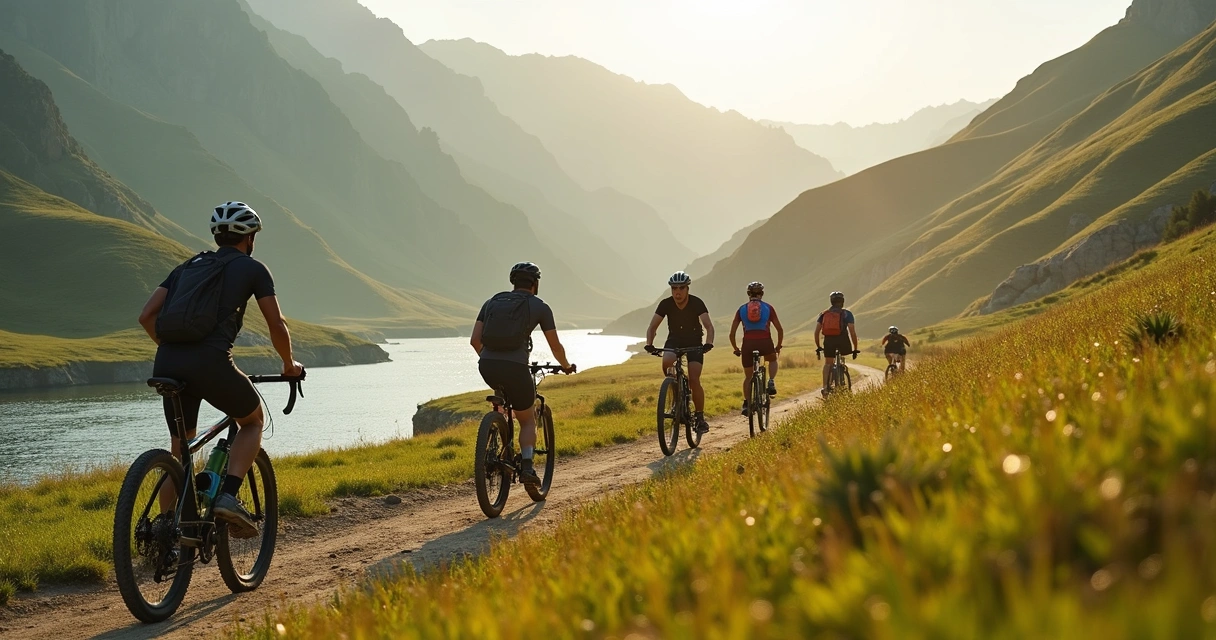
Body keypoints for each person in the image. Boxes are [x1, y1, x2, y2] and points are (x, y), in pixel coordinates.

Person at [138, 202, 303, 538]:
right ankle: (227, 496)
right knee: (253, 421)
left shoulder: (186, 267)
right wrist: (289, 365)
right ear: (250, 238)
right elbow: (275, 323)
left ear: (217, 236)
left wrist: (173, 352)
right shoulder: (253, 269)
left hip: (167, 362)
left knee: (179, 450)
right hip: (212, 362)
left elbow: (146, 316)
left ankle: (165, 533)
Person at [470, 262, 575, 487]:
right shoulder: (540, 307)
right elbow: (556, 347)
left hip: (487, 365)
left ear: (512, 282)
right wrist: (566, 366)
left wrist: (491, 358)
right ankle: (527, 466)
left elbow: (475, 341)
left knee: (503, 397)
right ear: (535, 284)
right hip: (516, 369)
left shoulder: (491, 303)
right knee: (527, 420)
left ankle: (497, 436)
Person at [644, 271, 715, 433]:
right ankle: (676, 395)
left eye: (681, 288)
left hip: (694, 341)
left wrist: (708, 343)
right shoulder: (665, 304)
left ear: (687, 288)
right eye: (674, 288)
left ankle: (699, 417)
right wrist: (649, 344)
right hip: (674, 339)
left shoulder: (697, 303)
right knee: (667, 362)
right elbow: (652, 326)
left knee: (694, 379)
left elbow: (709, 326)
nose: (677, 292)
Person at [729, 281, 784, 416]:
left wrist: (736, 348)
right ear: (762, 293)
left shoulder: (741, 309)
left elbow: (732, 333)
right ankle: (771, 381)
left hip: (748, 344)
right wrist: (778, 346)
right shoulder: (769, 308)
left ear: (748, 294)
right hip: (765, 342)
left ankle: (747, 403)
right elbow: (779, 329)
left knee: (748, 377)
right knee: (772, 359)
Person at [814, 291, 859, 397]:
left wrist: (818, 346)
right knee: (842, 356)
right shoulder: (847, 314)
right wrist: (855, 348)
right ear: (842, 301)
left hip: (829, 340)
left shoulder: (824, 314)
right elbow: (852, 332)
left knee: (828, 363)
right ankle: (841, 372)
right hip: (843, 340)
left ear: (831, 301)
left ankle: (825, 387)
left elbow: (816, 332)